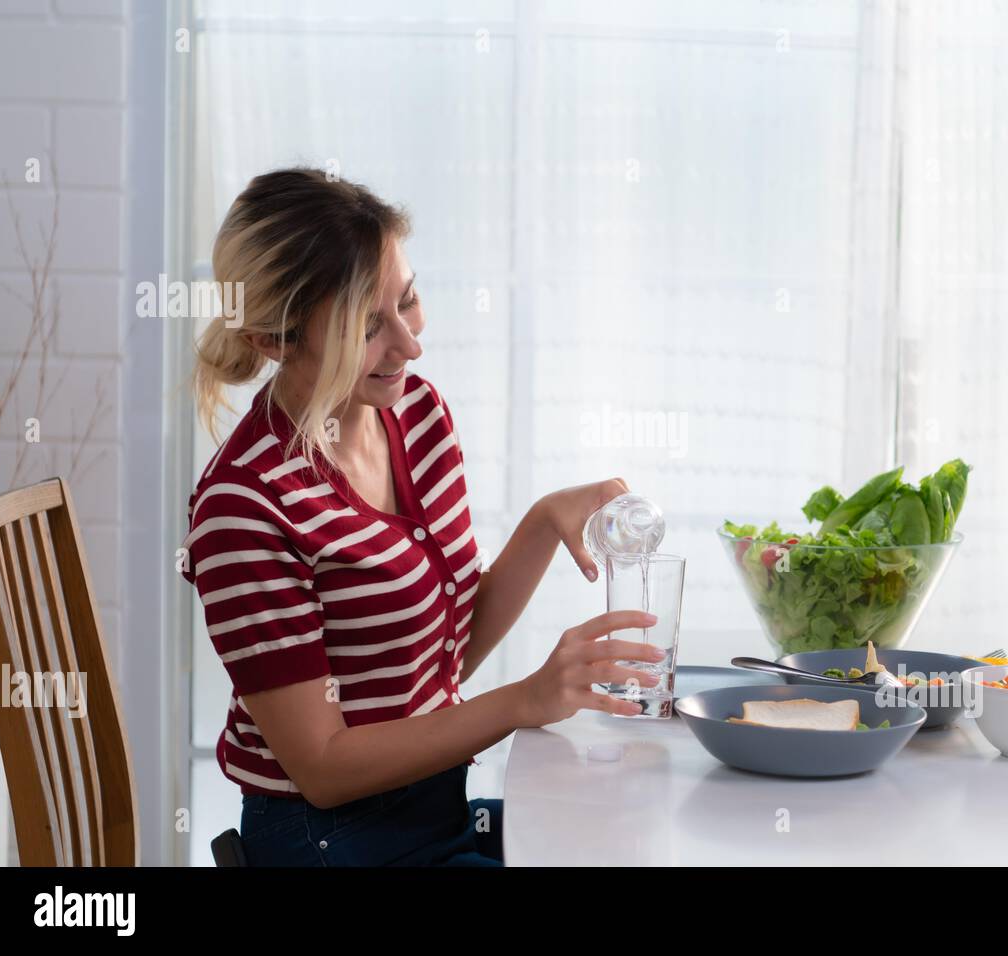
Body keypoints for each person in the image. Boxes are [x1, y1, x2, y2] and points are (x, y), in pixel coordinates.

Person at [180, 167, 661, 866]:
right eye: (368, 327)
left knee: (611, 832)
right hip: (334, 843)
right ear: (272, 341)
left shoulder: (416, 413)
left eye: (408, 301)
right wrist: (523, 700)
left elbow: (436, 660)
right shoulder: (244, 507)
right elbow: (323, 768)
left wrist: (541, 523)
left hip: (435, 810)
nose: (409, 344)